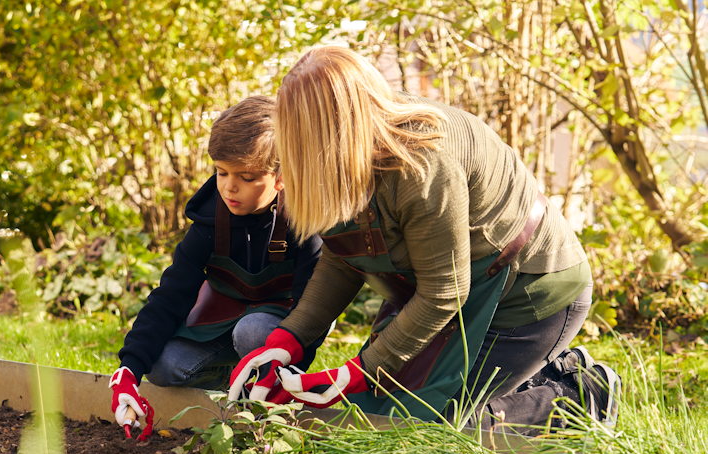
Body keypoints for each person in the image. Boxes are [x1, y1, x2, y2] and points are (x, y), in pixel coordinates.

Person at [229, 46, 620, 433]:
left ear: (335, 128)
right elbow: (342, 255)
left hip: (527, 294)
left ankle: (579, 393)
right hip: (446, 290)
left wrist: (356, 372)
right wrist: (288, 340)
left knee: (433, 429)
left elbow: (443, 293)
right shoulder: (342, 156)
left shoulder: (422, 162)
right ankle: (531, 373)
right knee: (373, 414)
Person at [110, 95, 324, 439]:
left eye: (247, 176)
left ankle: (264, 401)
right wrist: (128, 370)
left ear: (281, 177)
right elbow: (171, 295)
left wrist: (293, 370)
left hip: (274, 331)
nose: (229, 186)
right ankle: (234, 384)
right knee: (162, 368)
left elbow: (312, 310)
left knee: (252, 331)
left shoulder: (304, 222)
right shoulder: (209, 221)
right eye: (221, 172)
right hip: (218, 325)